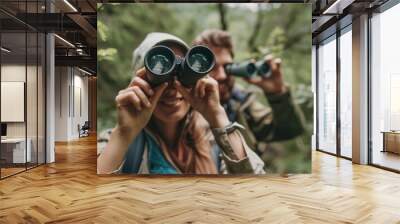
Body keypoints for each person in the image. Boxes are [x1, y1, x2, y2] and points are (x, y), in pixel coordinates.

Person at [97, 32, 265, 174]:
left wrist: (217, 116)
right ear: (139, 82)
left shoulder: (215, 141)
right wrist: (124, 133)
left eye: (181, 76)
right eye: (160, 74)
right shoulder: (117, 140)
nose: (171, 89)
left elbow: (255, 189)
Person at [193, 29, 305, 166]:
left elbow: (290, 130)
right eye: (213, 67)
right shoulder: (182, 105)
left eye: (227, 67)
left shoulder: (239, 101)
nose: (222, 75)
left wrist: (278, 94)